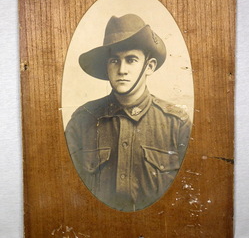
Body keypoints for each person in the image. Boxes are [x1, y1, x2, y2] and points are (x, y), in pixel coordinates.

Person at [65, 14, 191, 212]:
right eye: (114, 60)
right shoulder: (83, 120)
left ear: (149, 67)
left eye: (131, 60)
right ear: (106, 67)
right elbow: (67, 191)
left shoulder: (176, 123)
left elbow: (189, 196)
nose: (121, 69)